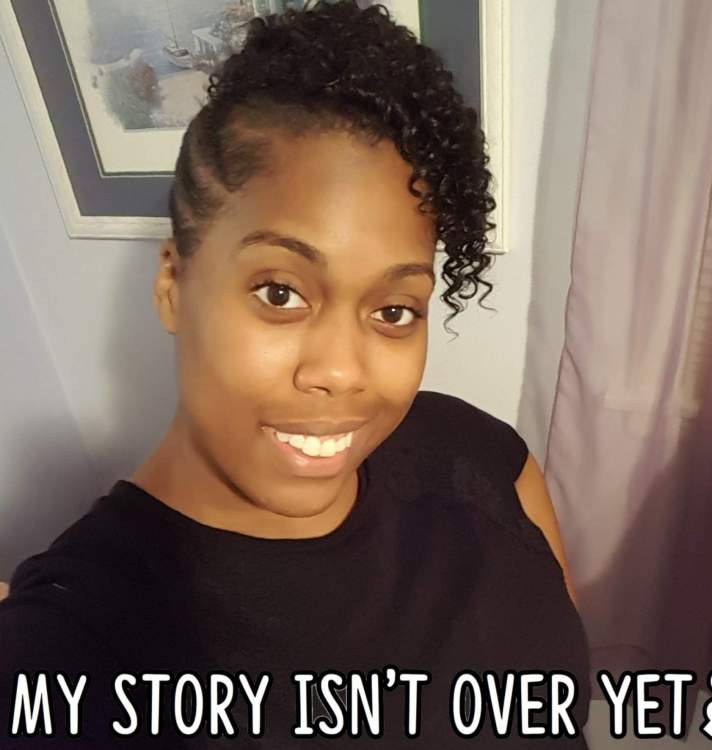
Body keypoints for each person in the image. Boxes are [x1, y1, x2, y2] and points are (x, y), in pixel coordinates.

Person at [0, 1, 590, 746]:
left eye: (394, 310)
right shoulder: (73, 645)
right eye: (280, 294)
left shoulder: (476, 451)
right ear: (174, 284)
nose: (341, 372)